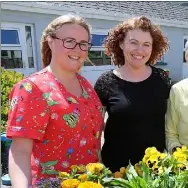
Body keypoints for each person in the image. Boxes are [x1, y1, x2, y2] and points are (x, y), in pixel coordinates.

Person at [6, 14, 104, 187]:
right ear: (50, 41)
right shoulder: (32, 89)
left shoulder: (86, 86)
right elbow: (20, 151)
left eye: (83, 44)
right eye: (69, 41)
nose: (77, 49)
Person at [94, 16, 171, 173]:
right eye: (133, 42)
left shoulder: (162, 79)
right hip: (116, 170)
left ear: (153, 48)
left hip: (154, 171)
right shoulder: (106, 82)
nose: (140, 50)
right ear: (121, 43)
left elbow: (172, 122)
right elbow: (96, 129)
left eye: (146, 44)